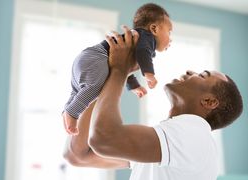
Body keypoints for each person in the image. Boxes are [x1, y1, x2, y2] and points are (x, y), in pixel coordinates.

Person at [63, 26, 243, 180]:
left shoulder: (194, 133)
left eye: (203, 75)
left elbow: (104, 138)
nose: (190, 71)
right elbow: (78, 155)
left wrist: (119, 69)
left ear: (209, 101)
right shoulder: (169, 144)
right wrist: (103, 76)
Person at [63, 3, 173, 135]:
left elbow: (126, 67)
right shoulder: (146, 38)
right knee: (95, 87)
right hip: (97, 56)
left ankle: (67, 110)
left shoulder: (139, 41)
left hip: (88, 57)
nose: (170, 39)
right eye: (169, 32)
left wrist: (134, 86)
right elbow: (143, 53)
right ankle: (73, 112)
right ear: (154, 29)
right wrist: (149, 74)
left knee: (78, 90)